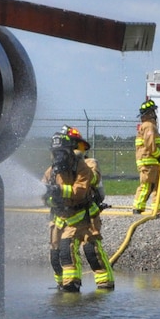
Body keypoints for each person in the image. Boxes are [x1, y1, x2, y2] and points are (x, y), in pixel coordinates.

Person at [63, 125, 115, 290]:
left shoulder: (89, 163)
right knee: (66, 250)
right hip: (68, 217)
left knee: (91, 250)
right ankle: (70, 285)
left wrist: (77, 163)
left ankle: (105, 284)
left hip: (88, 216)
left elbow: (91, 180)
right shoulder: (59, 167)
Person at [42, 131, 95, 292]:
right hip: (58, 218)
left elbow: (80, 191)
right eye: (55, 153)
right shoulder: (51, 171)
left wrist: (59, 190)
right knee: (55, 257)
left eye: (62, 153)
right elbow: (44, 196)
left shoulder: (81, 168)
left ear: (69, 152)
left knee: (67, 250)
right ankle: (61, 285)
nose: (59, 157)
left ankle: (72, 285)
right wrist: (51, 198)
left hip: (77, 217)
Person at [132, 99, 160, 214]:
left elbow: (157, 144)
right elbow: (150, 145)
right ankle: (137, 208)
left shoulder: (150, 126)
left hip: (153, 162)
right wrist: (159, 156)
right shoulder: (149, 126)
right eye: (153, 112)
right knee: (148, 185)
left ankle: (158, 209)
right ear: (150, 113)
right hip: (149, 161)